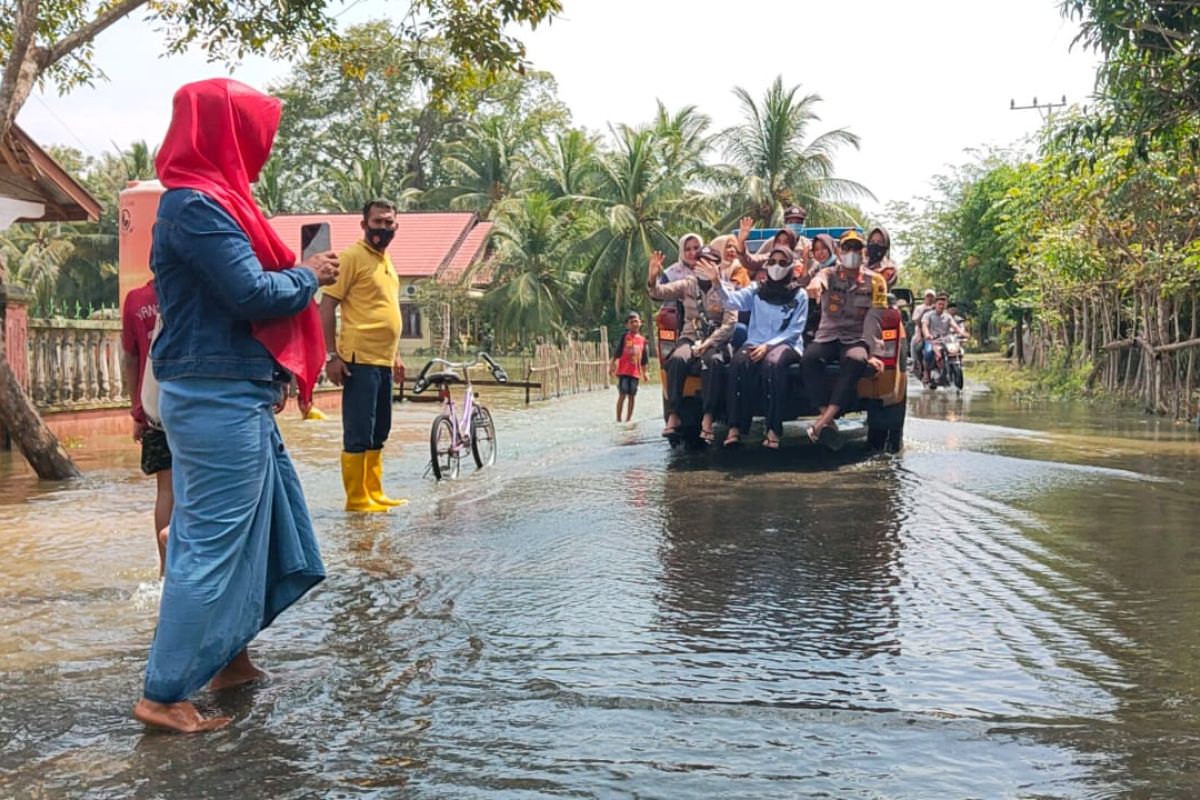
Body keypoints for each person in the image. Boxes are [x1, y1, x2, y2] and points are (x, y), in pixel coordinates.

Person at [134, 78, 339, 733]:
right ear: (223, 131)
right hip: (216, 396)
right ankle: (162, 694)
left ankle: (231, 660)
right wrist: (311, 275)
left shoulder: (218, 201)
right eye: (254, 134)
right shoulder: (196, 205)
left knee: (266, 532)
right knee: (210, 545)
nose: (262, 150)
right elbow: (253, 295)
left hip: (236, 393)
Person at [320, 200, 408, 513]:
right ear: (364, 224)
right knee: (358, 429)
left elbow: (389, 311)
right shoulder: (352, 257)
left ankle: (374, 491)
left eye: (388, 223)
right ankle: (356, 499)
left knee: (379, 429)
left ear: (395, 226)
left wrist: (396, 355)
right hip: (359, 358)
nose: (382, 228)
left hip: (384, 360)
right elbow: (327, 305)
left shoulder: (387, 262)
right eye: (377, 222)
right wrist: (332, 355)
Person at [700, 244, 807, 449]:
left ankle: (773, 429)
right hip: (755, 342)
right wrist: (716, 281)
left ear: (791, 266)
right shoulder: (757, 289)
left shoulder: (798, 294)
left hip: (786, 344)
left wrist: (768, 346)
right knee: (738, 364)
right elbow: (731, 301)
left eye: (783, 263)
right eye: (773, 262)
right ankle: (735, 427)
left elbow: (795, 329)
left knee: (772, 365)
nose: (777, 266)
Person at [802, 230, 890, 448]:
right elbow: (820, 278)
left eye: (856, 249)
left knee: (856, 361)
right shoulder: (829, 274)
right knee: (808, 359)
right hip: (827, 335)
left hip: (855, 338)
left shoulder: (876, 281)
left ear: (863, 253)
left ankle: (821, 422)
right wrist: (816, 283)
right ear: (839, 252)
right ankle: (828, 420)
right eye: (847, 248)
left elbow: (874, 318)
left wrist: (873, 353)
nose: (851, 253)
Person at [647, 248, 738, 438]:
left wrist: (708, 343)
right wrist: (653, 276)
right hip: (691, 337)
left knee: (711, 362)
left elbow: (730, 323)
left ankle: (708, 415)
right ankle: (673, 414)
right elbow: (658, 292)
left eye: (708, 262)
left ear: (717, 265)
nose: (702, 266)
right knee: (677, 360)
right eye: (699, 262)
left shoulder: (727, 289)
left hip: (716, 341)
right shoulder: (688, 284)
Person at [120, 277, 171, 575]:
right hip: (193, 402)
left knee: (165, 491)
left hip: (153, 407)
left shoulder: (136, 300)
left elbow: (131, 357)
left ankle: (165, 568)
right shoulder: (189, 290)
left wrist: (136, 410)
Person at [734, 216, 804, 282]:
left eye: (785, 242)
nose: (781, 245)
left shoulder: (796, 265)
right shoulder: (766, 258)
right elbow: (748, 260)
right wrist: (741, 241)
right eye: (778, 241)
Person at [609, 311, 649, 422]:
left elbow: (644, 358)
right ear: (627, 325)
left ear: (640, 323)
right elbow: (618, 352)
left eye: (636, 321)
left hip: (635, 373)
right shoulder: (625, 337)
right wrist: (612, 365)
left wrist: (645, 372)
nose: (634, 324)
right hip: (623, 371)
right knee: (622, 394)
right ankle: (618, 419)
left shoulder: (642, 340)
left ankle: (628, 419)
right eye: (632, 322)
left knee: (632, 395)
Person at [921, 293, 967, 386]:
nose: (941, 306)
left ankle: (952, 370)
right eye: (939, 304)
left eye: (944, 304)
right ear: (935, 305)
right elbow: (924, 326)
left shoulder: (948, 316)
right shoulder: (928, 315)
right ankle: (927, 374)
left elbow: (955, 327)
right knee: (928, 353)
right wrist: (927, 335)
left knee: (958, 351)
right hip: (933, 341)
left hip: (946, 341)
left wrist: (962, 333)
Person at [910, 289, 937, 378]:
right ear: (924, 298)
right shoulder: (919, 308)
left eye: (931, 296)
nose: (930, 298)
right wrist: (925, 311)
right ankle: (915, 363)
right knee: (914, 343)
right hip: (921, 332)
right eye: (928, 296)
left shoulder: (938, 307)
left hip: (936, 333)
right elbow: (916, 322)